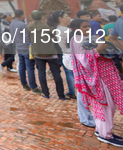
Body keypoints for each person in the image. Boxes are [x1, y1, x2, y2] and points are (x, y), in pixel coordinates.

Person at [71, 18, 123, 147]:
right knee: (105, 106)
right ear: (76, 29)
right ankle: (105, 135)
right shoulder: (77, 39)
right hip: (98, 79)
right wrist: (98, 49)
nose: (88, 29)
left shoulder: (85, 39)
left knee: (104, 106)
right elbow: (83, 60)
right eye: (84, 27)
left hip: (102, 77)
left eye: (88, 26)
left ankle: (102, 131)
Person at [27, 10, 65, 100]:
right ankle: (61, 95)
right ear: (41, 17)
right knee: (56, 73)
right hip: (50, 53)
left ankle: (46, 93)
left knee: (41, 73)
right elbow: (53, 36)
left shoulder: (29, 27)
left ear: (32, 18)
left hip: (38, 53)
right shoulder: (47, 27)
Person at [10, 10, 41, 93]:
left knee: (21, 66)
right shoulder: (23, 25)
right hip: (26, 48)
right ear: (21, 15)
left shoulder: (11, 24)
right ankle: (33, 87)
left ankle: (24, 84)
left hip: (18, 47)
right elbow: (27, 37)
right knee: (30, 67)